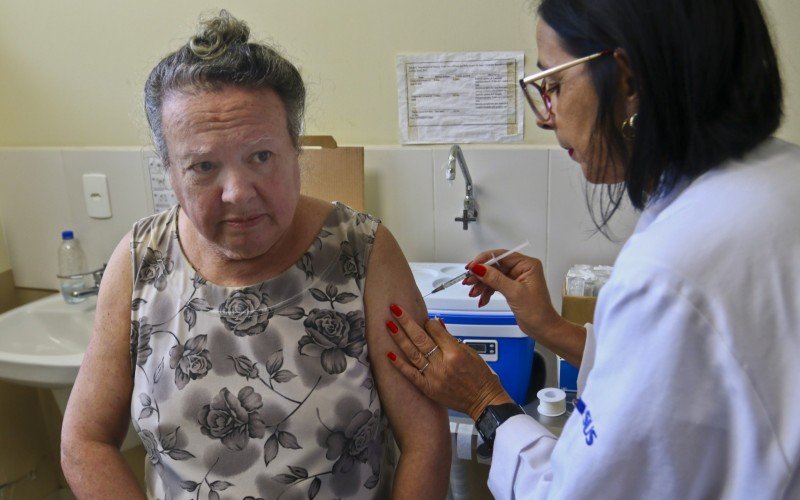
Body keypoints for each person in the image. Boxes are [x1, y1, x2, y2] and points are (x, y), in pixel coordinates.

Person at [386, 0, 800, 497]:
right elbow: (679, 380)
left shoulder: (669, 271)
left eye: (555, 84)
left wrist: (482, 399)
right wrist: (549, 329)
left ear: (627, 82)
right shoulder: (778, 178)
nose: (547, 116)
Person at [60, 10, 450, 499]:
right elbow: (84, 441)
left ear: (295, 151)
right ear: (170, 173)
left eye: (261, 157)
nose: (237, 193)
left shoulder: (363, 252)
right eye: (203, 166)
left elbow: (425, 441)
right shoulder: (141, 260)